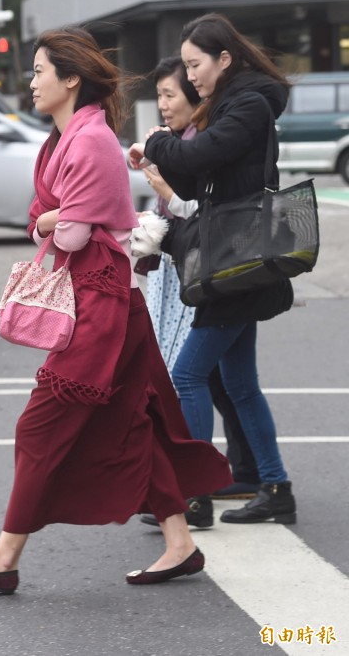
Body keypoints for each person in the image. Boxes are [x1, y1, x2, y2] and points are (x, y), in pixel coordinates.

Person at [0, 26, 231, 595]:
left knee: (40, 427)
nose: (30, 82)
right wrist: (53, 219)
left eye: (38, 71)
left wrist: (52, 219)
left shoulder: (91, 141)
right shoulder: (62, 140)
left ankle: (5, 555)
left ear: (70, 78)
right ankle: (180, 543)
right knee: (136, 421)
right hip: (101, 300)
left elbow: (65, 232)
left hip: (102, 304)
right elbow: (43, 219)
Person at [129, 13, 296, 525]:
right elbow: (200, 174)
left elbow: (201, 156)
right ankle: (274, 487)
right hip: (234, 260)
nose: (191, 75)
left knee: (187, 376)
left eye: (195, 64)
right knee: (240, 384)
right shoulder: (236, 102)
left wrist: (157, 142)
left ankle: (194, 495)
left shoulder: (247, 104)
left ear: (225, 59)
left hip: (235, 261)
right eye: (186, 65)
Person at [132, 57, 260, 529]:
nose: (163, 104)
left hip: (214, 275)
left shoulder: (204, 146)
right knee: (229, 383)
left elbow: (204, 215)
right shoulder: (188, 144)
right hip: (193, 274)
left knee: (192, 378)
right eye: (162, 94)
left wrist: (163, 187)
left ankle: (198, 493)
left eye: (171, 94)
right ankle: (258, 478)